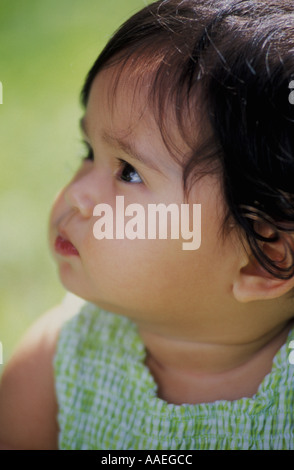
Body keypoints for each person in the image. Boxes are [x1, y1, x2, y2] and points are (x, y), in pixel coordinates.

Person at [1, 0, 294, 450]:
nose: (77, 193)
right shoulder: (57, 362)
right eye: (87, 153)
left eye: (129, 172)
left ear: (263, 257)